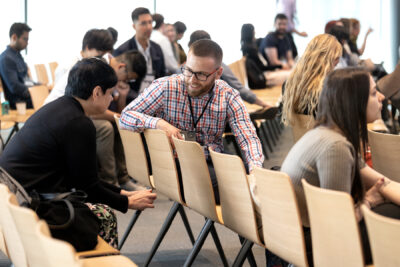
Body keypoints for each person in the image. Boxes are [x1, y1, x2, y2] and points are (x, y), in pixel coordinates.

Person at [0, 58, 156, 247]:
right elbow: (87, 188)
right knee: (105, 216)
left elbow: (83, 180)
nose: (112, 98)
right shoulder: (79, 124)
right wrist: (125, 202)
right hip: (31, 208)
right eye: (110, 92)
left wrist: (121, 193)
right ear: (97, 92)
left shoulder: (57, 108)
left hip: (12, 202)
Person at [280, 68, 400, 265]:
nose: (381, 96)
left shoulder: (326, 133)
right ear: (355, 103)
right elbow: (338, 222)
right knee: (393, 216)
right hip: (316, 243)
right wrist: (368, 201)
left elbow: (383, 182)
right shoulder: (336, 147)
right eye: (372, 93)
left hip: (296, 235)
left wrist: (375, 196)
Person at [120, 39, 264, 202]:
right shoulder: (166, 87)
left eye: (201, 74)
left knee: (259, 182)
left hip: (212, 158)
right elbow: (125, 116)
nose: (192, 80)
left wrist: (256, 170)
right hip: (176, 163)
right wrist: (159, 123)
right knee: (236, 190)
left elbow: (248, 138)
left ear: (218, 73)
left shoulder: (228, 95)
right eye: (188, 70)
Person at [188, 30, 273, 109]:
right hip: (216, 109)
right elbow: (236, 86)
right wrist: (263, 104)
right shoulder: (217, 64)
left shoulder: (184, 68)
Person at [281, 34, 342, 125]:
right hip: (327, 137)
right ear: (328, 59)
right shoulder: (328, 90)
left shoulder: (289, 84)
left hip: (301, 137)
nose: (338, 61)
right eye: (336, 58)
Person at [113, 7, 165, 101]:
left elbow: (162, 75)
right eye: (143, 23)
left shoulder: (157, 48)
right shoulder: (123, 51)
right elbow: (119, 84)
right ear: (134, 26)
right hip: (132, 99)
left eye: (150, 22)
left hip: (155, 97)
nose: (149, 27)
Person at [240, 23, 290, 89]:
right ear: (250, 33)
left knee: (289, 72)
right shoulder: (250, 49)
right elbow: (262, 67)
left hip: (264, 74)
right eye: (253, 30)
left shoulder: (247, 47)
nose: (255, 32)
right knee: (290, 75)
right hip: (264, 77)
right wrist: (280, 66)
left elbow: (261, 40)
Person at [0, 22, 33, 109]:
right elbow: (15, 87)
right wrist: (34, 92)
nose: (27, 43)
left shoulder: (17, 56)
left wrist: (39, 86)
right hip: (18, 103)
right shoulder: (6, 59)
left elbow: (26, 80)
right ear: (14, 37)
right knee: (50, 102)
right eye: (25, 39)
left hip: (26, 98)